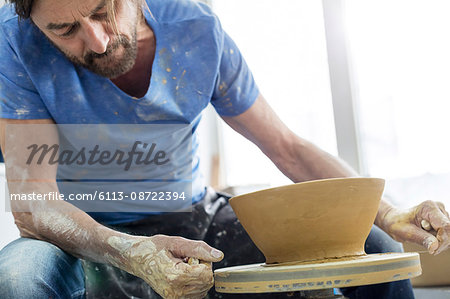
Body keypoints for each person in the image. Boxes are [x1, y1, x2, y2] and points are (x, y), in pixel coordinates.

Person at [0, 0, 448, 298]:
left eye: (104, 8)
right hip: (78, 238)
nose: (98, 41)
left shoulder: (194, 29)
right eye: (64, 30)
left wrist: (387, 212)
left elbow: (287, 148)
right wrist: (130, 251)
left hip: (193, 217)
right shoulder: (13, 42)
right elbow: (34, 203)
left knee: (377, 247)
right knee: (18, 279)